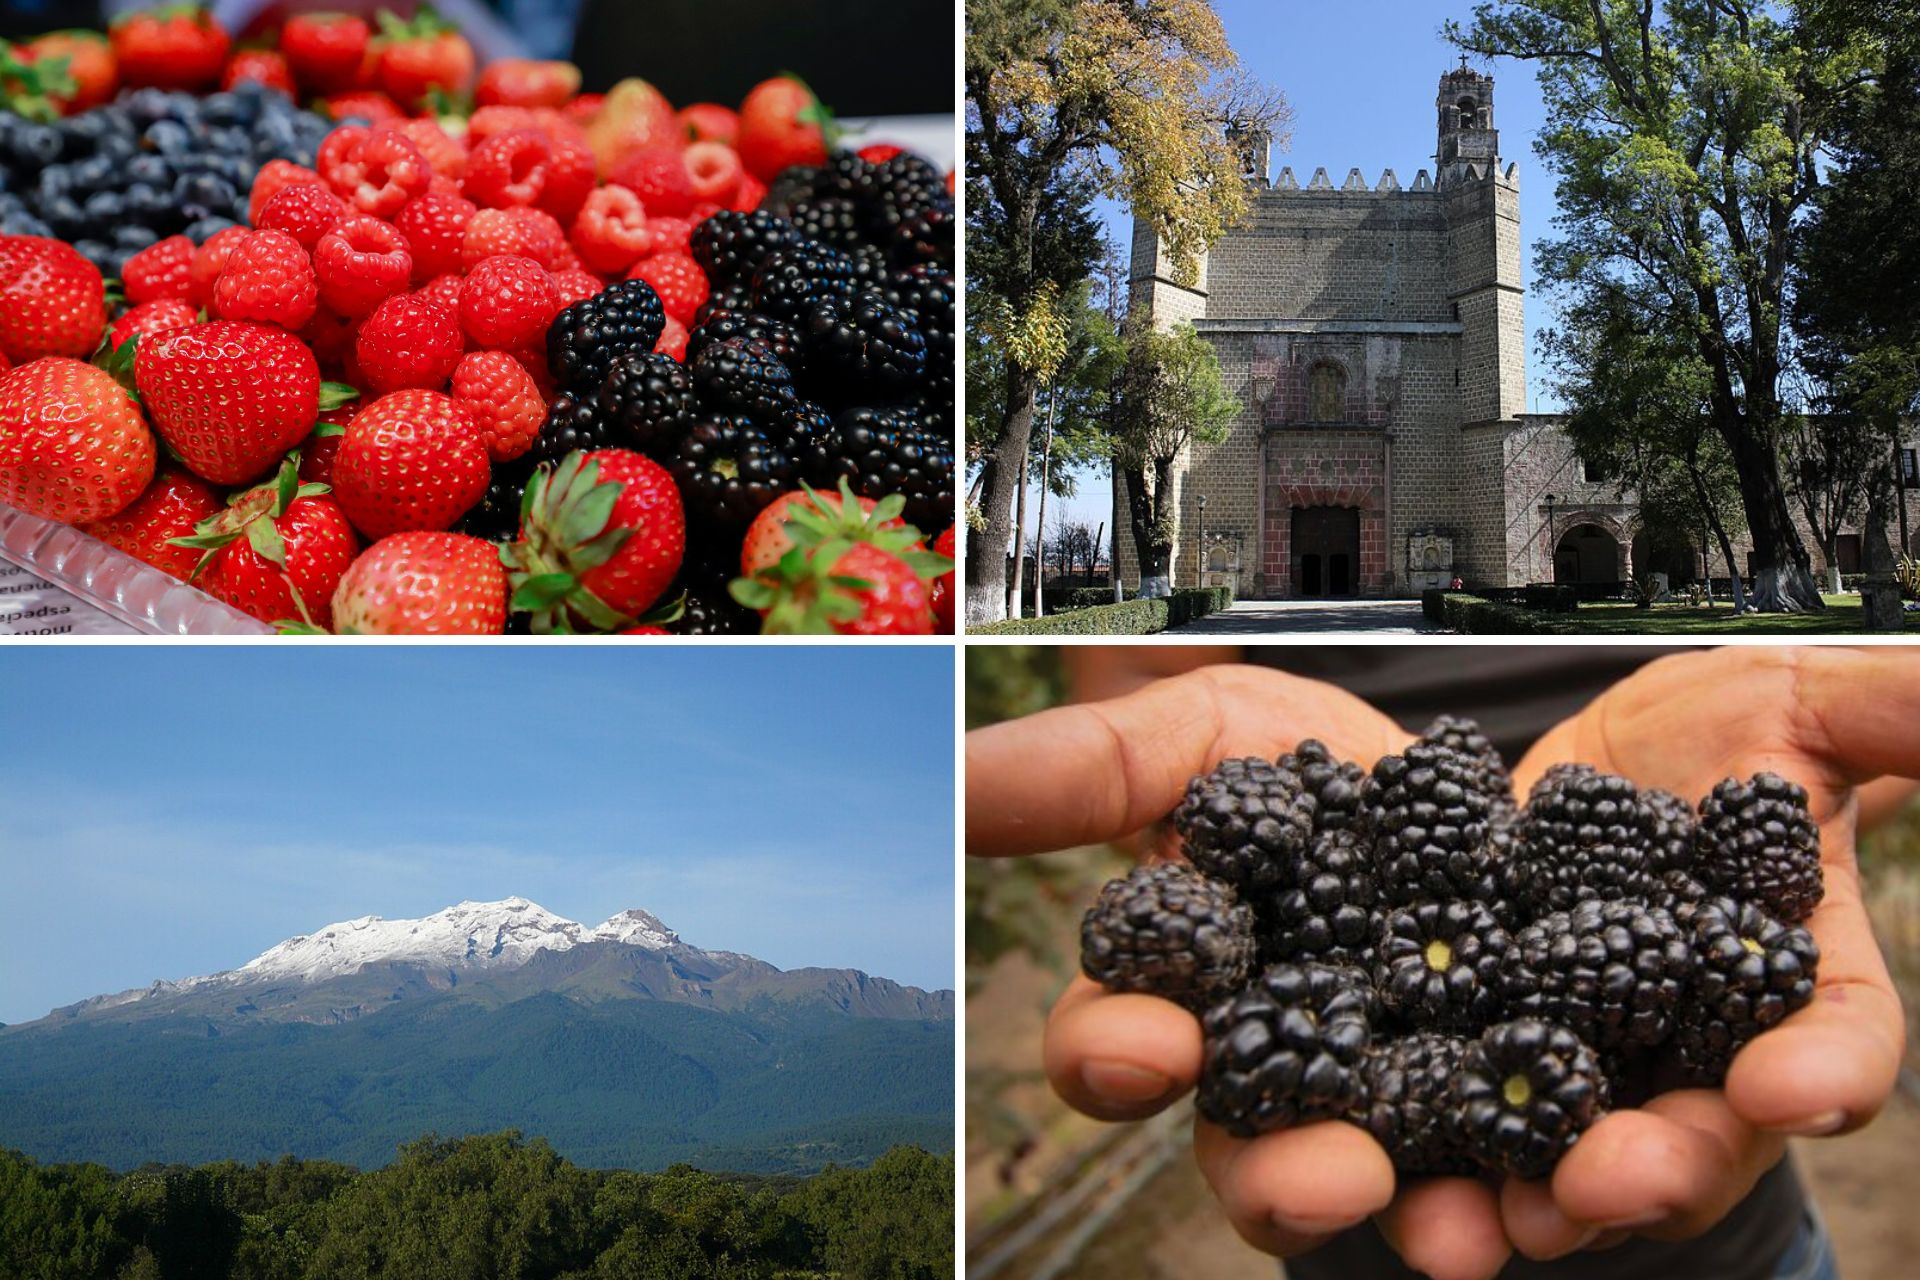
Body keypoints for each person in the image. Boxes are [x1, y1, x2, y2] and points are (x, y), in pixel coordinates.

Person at [967, 645, 1918, 1280]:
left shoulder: (1612, 913)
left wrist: (1804, 804)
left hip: (1738, 1257)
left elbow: (1855, 762)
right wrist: (1200, 846)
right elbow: (1140, 674)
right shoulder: (1357, 906)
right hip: (1354, 1234)